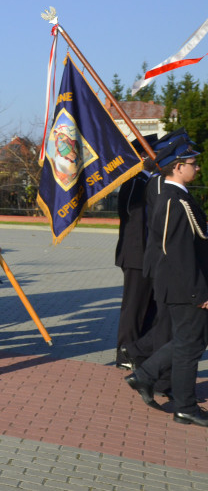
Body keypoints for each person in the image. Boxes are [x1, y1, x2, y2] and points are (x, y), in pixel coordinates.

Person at [125, 135, 208, 426]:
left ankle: (144, 375)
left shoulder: (179, 196)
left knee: (190, 340)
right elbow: (177, 253)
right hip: (184, 288)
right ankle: (185, 406)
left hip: (184, 286)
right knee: (190, 345)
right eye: (192, 163)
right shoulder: (172, 200)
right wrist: (199, 292)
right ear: (176, 166)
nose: (197, 168)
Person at [114, 134, 158, 368]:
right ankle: (124, 353)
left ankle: (140, 349)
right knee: (134, 306)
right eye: (153, 153)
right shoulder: (134, 181)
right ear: (142, 157)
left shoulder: (150, 180)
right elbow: (133, 221)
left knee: (149, 306)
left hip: (149, 255)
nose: (157, 157)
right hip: (136, 255)